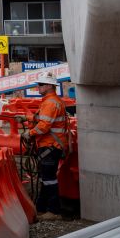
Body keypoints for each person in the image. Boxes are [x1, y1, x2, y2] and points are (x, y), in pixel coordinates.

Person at [26, 71, 70, 221]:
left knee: (49, 178)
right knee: (46, 177)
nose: (38, 87)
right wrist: (26, 118)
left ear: (49, 86)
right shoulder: (50, 101)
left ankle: (54, 211)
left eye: (40, 84)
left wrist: (29, 133)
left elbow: (44, 126)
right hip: (50, 145)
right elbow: (41, 118)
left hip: (51, 145)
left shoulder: (50, 103)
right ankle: (42, 208)